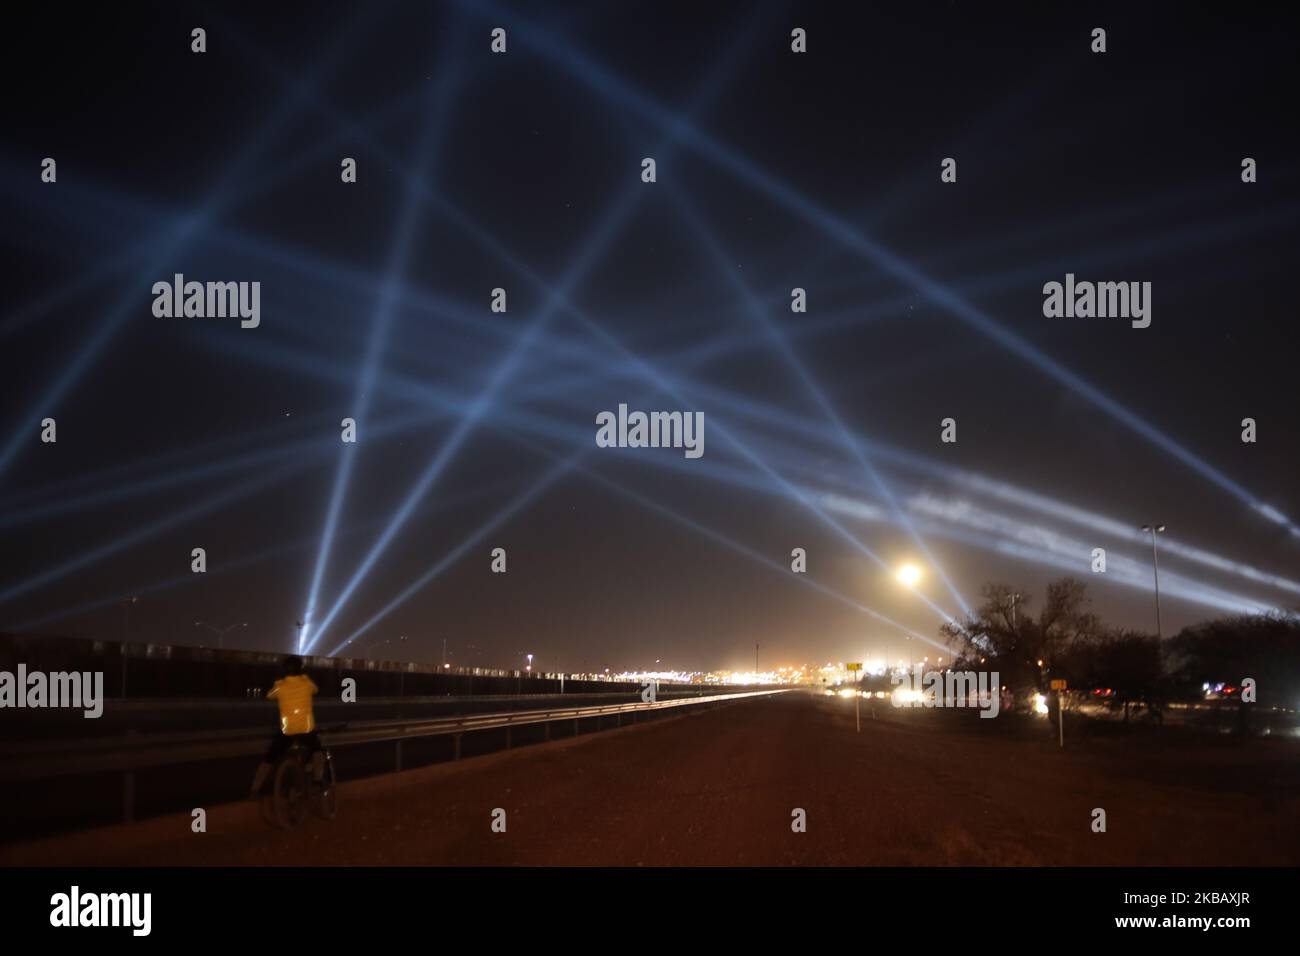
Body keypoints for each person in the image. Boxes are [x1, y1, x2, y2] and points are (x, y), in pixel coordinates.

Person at [249, 655, 324, 798]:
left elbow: (269, 695)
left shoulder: (280, 686)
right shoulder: (307, 683)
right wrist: (305, 678)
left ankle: (255, 789)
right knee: (317, 750)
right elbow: (316, 690)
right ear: (301, 669)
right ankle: (317, 780)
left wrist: (279, 682)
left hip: (287, 730)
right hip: (306, 729)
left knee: (269, 758)